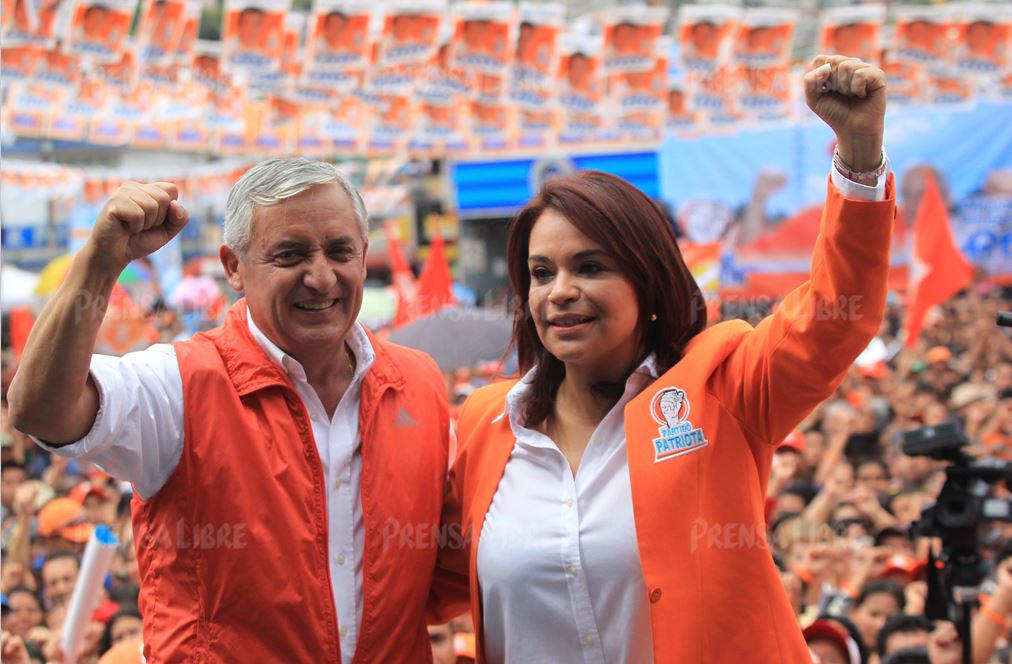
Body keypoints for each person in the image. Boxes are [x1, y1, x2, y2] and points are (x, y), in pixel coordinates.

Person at [429, 55, 893, 661]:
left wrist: (858, 155)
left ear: (647, 282)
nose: (559, 290)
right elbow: (415, 583)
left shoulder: (719, 382)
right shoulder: (487, 425)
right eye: (541, 273)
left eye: (590, 267)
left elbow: (837, 315)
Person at [8, 158, 452, 661]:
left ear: (364, 254)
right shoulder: (179, 383)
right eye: (290, 255)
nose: (322, 277)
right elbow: (39, 411)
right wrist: (99, 263)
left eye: (340, 250)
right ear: (234, 267)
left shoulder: (420, 383)